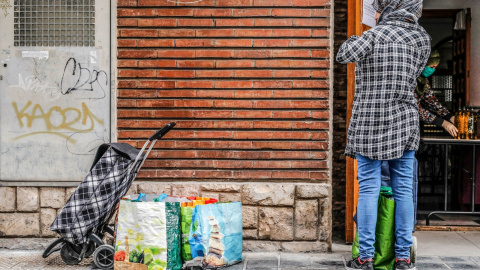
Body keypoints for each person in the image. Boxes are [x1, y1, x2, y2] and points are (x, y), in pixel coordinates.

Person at [336, 0, 431, 269]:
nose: (375, 13)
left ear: (390, 7)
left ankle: (365, 257)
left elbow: (343, 54)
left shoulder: (374, 35)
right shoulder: (422, 37)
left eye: (377, 7)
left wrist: (365, 33)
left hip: (370, 120)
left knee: (368, 186)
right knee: (403, 190)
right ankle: (402, 258)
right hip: (405, 120)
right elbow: (416, 72)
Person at [415, 50, 458, 137]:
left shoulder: (424, 81)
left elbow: (431, 101)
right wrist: (443, 123)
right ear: (422, 64)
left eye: (435, 67)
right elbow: (415, 107)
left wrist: (449, 116)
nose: (433, 70)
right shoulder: (410, 79)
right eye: (432, 67)